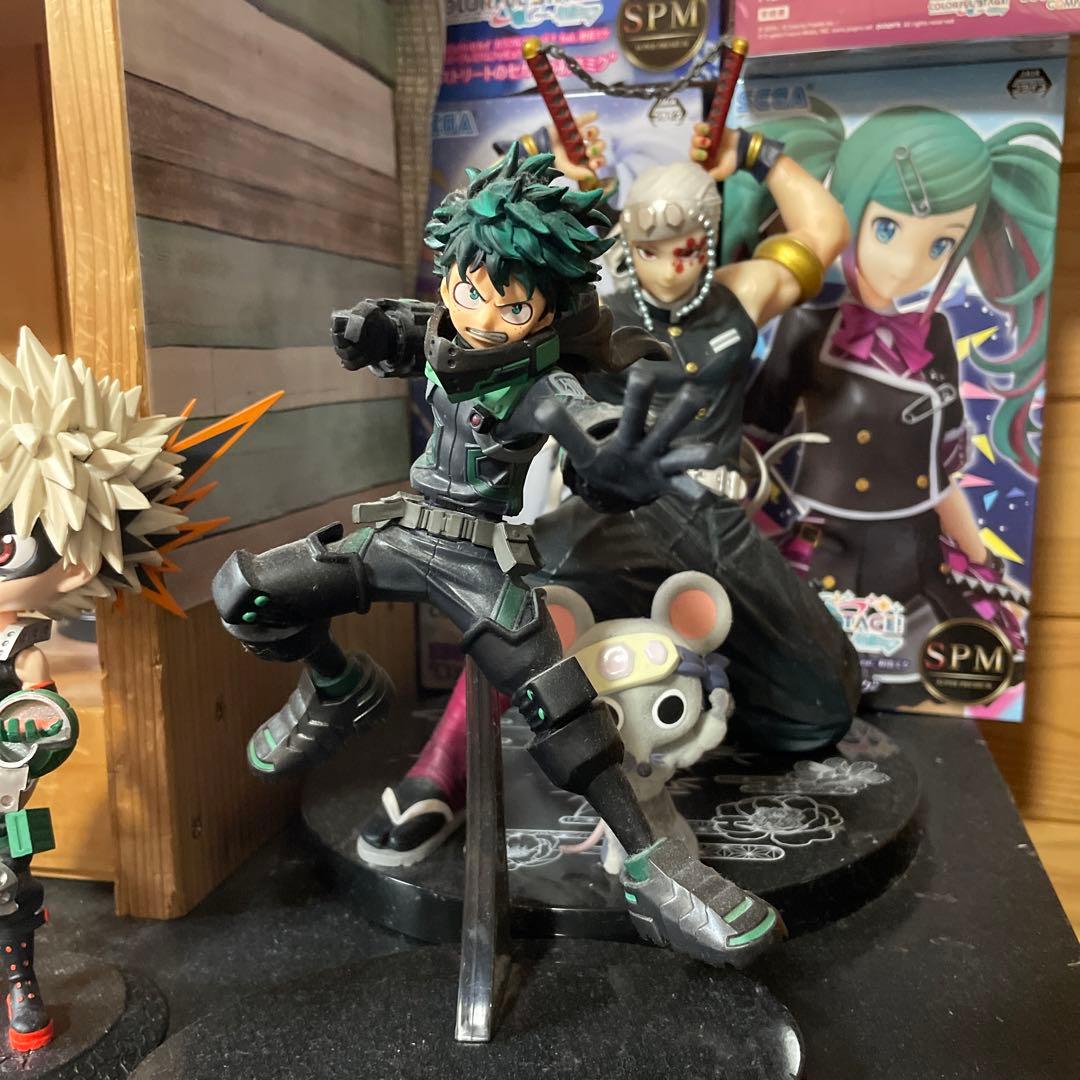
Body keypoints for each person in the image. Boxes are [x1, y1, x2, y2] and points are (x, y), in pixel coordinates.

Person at [213, 144, 788, 968]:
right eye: (469, 290)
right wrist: (372, 330)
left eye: (510, 307)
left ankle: (655, 868)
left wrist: (615, 470)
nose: (481, 317)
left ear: (549, 314)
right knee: (248, 592)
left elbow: (587, 430)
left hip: (480, 564)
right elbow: (410, 330)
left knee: (564, 716)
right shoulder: (444, 328)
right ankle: (338, 687)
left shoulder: (543, 386)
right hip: (403, 535)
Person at [359, 125, 862, 867]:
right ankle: (442, 772)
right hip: (617, 506)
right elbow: (493, 288)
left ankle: (681, 712)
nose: (669, 266)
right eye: (651, 249)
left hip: (715, 513)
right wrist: (550, 164)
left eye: (686, 249)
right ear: (629, 241)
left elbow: (824, 232)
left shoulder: (740, 293)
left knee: (819, 711)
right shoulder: (590, 312)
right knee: (509, 590)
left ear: (708, 241)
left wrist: (757, 155)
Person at [0, 327, 273, 1050]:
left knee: (9, 886)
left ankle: (21, 984)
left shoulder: (23, 650)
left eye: (5, 547)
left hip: (4, 792)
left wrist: (30, 742)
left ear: (74, 563)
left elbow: (47, 721)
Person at [731, 102, 1058, 702]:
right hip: (821, 553)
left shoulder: (937, 338)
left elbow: (937, 477)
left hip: (913, 562)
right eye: (887, 229)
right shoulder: (805, 325)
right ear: (848, 209)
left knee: (934, 685)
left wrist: (983, 562)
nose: (908, 264)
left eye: (940, 245)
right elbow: (754, 442)